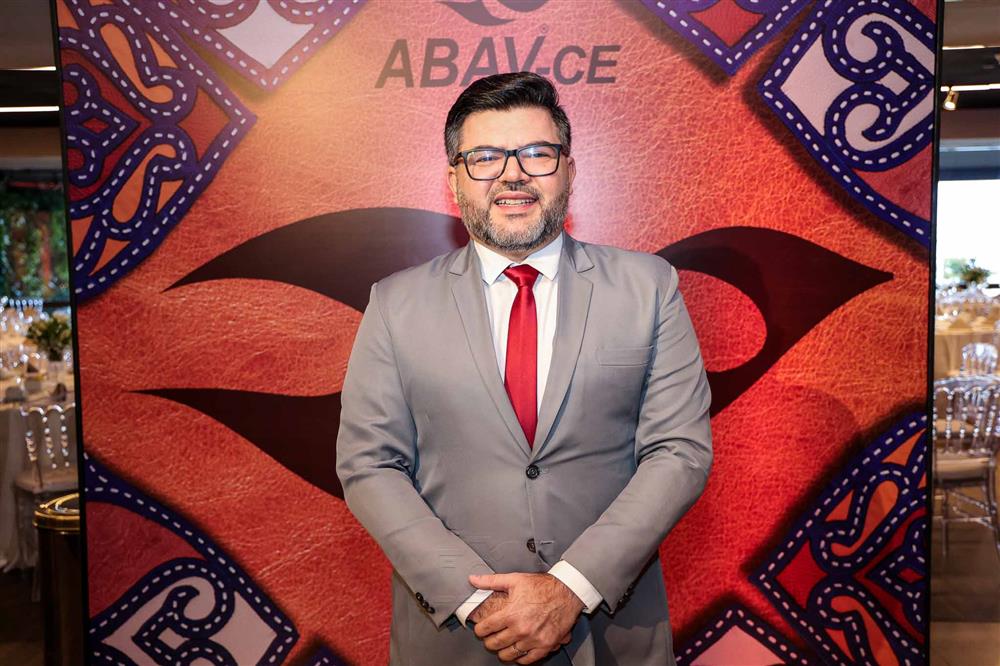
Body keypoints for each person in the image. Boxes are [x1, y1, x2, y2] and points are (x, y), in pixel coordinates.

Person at [336, 72, 712, 666]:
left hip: (610, 636)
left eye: (536, 153)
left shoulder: (650, 288)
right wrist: (477, 602)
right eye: (485, 157)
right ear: (454, 179)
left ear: (569, 170)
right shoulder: (394, 303)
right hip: (456, 637)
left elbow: (679, 451)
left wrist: (570, 588)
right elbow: (369, 464)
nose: (513, 174)